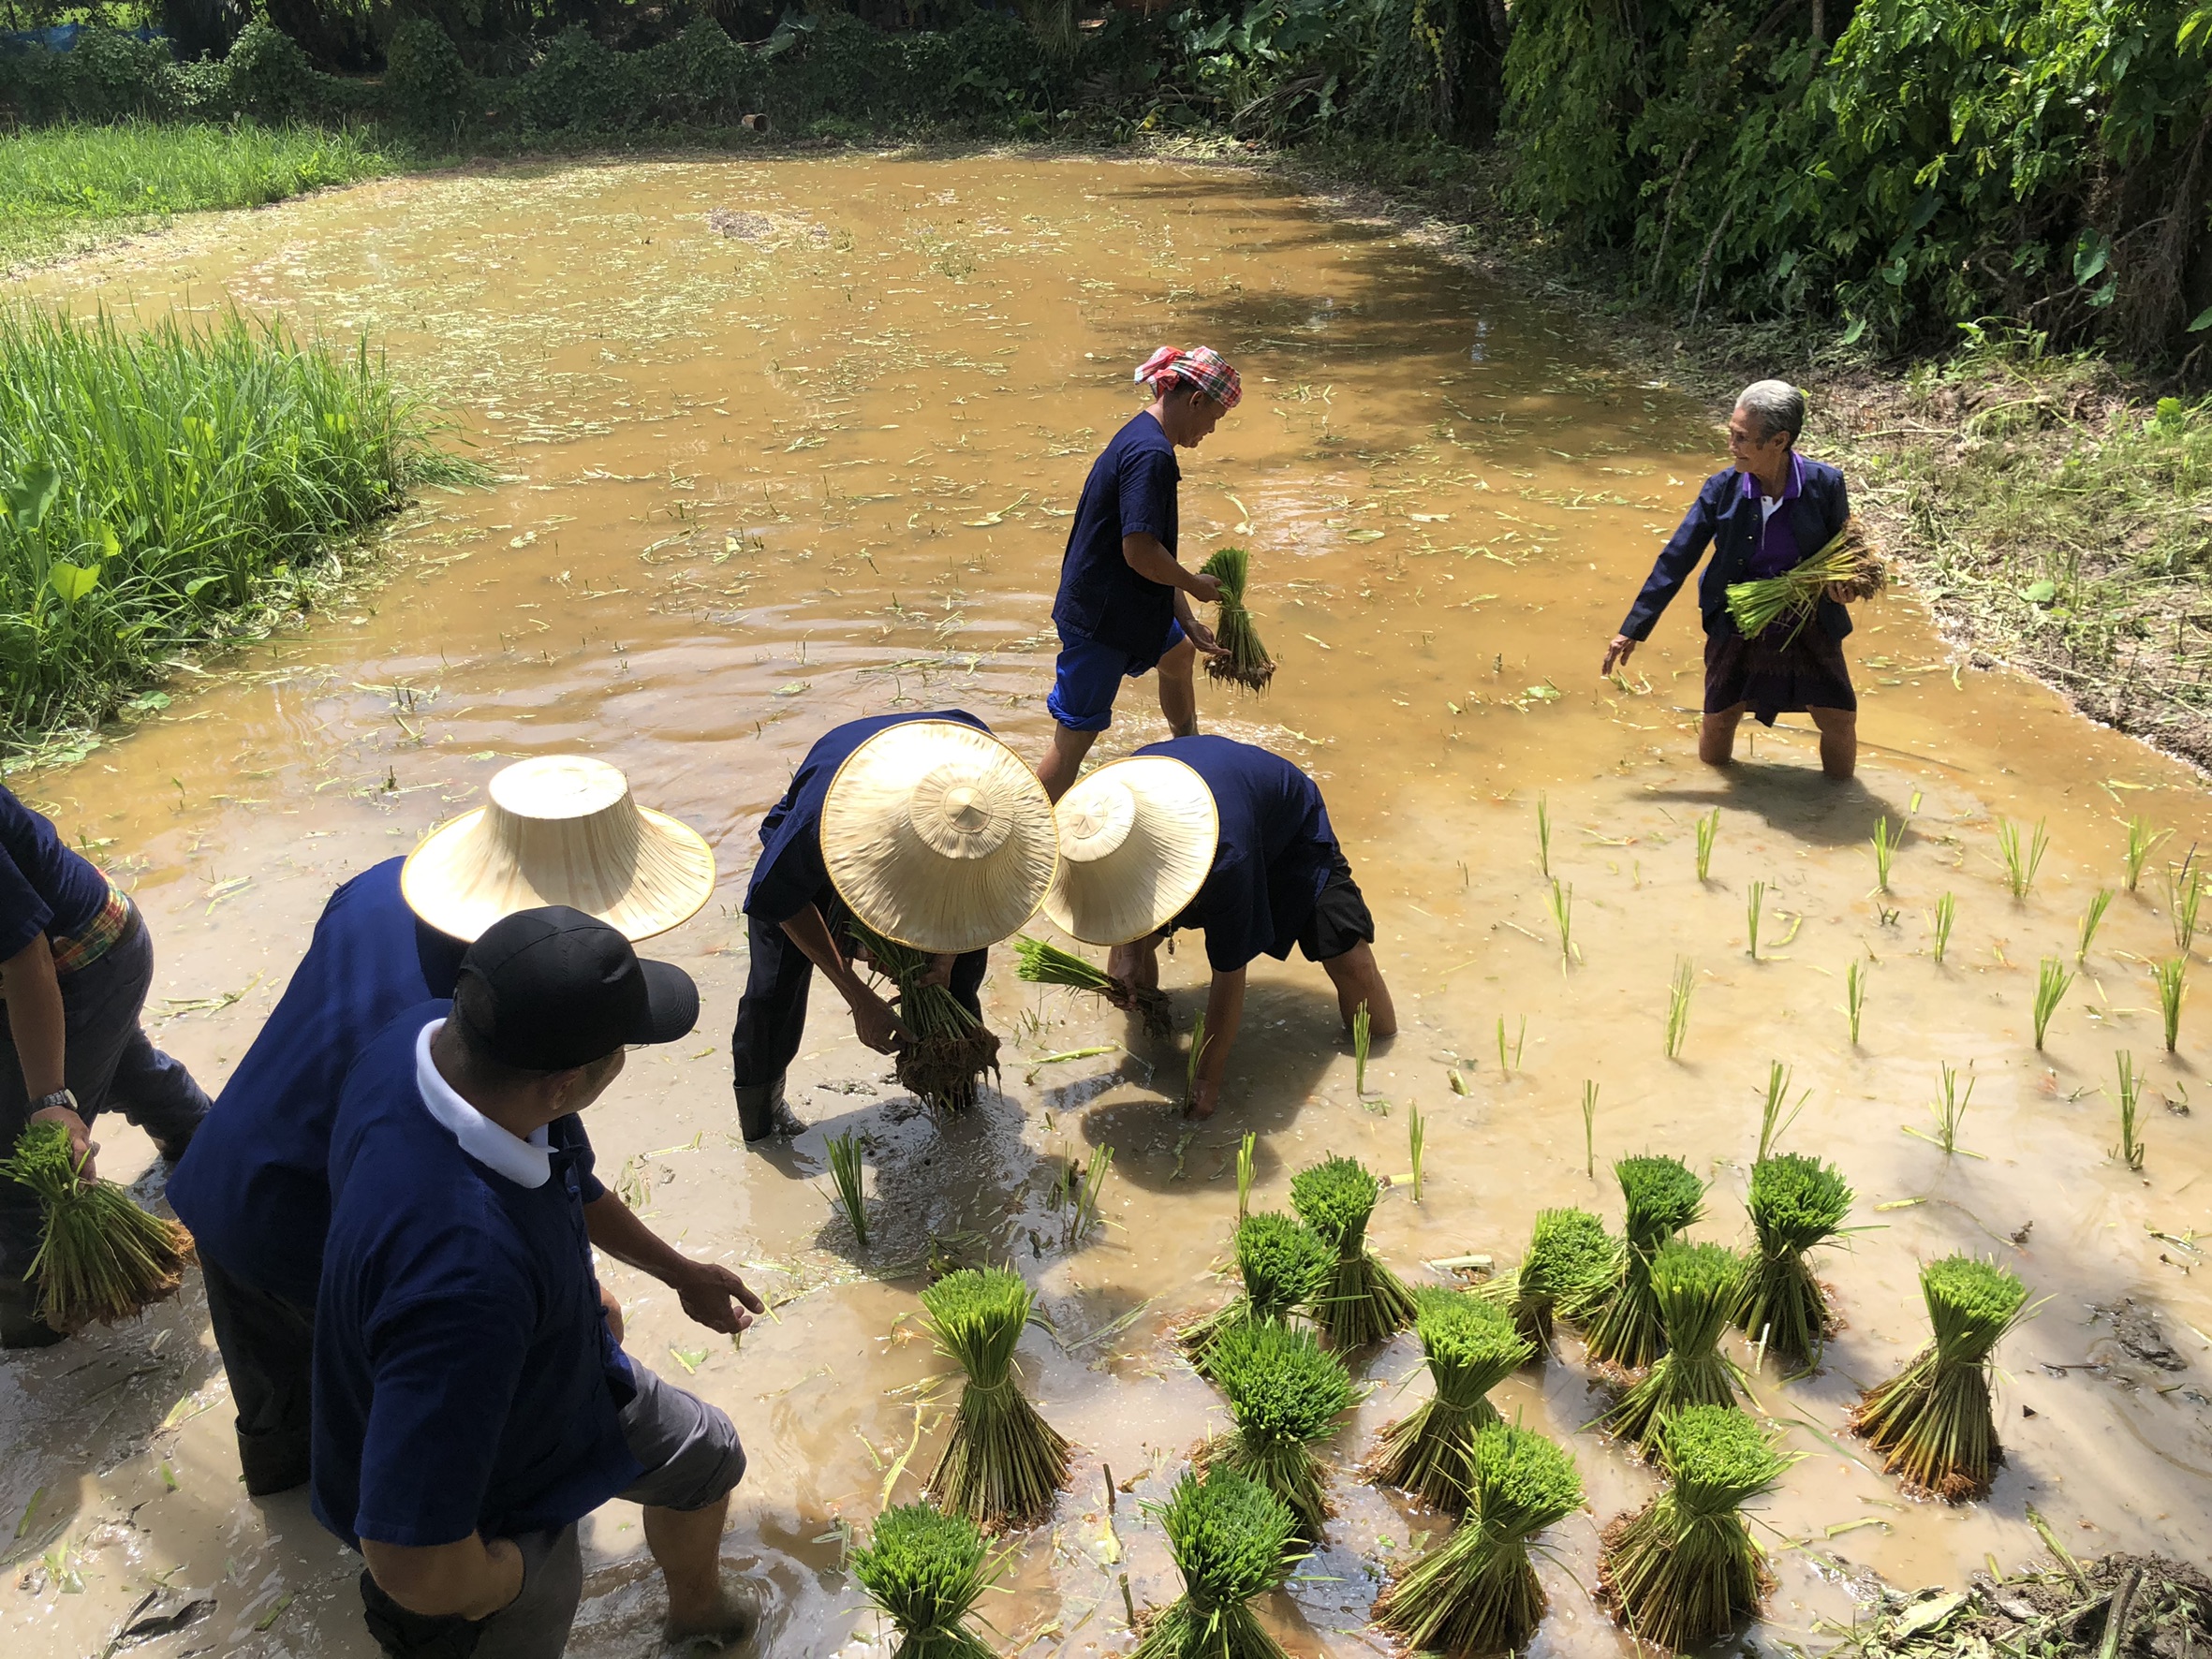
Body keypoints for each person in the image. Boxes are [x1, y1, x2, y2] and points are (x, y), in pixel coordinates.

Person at [168, 755, 728, 1495]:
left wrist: (665, 1273)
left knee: (288, 1440)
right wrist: (586, 1293)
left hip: (226, 1183)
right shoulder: (492, 1023)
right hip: (323, 1235)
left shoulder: (377, 888)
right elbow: (530, 1189)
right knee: (408, 1465)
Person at [314, 907, 760, 1659]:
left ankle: (700, 1615)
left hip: (556, 1387)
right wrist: (516, 1576)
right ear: (566, 1085)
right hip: (474, 1510)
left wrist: (673, 1274)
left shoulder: (427, 1044)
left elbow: (567, 1179)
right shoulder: (463, 1276)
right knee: (527, 1599)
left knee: (706, 1457)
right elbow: (411, 1563)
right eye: (621, 1049)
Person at [732, 712, 1056, 1141]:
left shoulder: (989, 792)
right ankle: (763, 1127)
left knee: (954, 985)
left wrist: (944, 959)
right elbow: (781, 904)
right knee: (772, 994)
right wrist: (859, 997)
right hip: (823, 859)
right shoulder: (816, 824)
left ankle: (958, 1109)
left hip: (952, 842)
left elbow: (977, 906)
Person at [1041, 735, 1394, 1119]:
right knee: (1129, 964)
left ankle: (1386, 1053)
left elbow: (1228, 976)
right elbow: (1127, 904)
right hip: (1189, 823)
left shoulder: (1228, 860)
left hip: (1287, 833)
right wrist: (1129, 953)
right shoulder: (1109, 802)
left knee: (1349, 959)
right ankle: (1153, 1032)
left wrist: (1207, 1078)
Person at [0, 783, 210, 1348]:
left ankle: (36, 1314)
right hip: (68, 955)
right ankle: (214, 1147)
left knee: (19, 1157)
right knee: (117, 1065)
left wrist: (50, 1101)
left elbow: (25, 958)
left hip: (82, 959)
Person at [1601, 378, 1860, 779]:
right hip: (1739, 614)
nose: (1731, 445)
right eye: (1731, 434)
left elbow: (1846, 555)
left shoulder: (1825, 484)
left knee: (1839, 718)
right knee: (1721, 716)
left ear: (1778, 441)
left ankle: (1840, 799)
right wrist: (1634, 627)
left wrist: (1843, 588)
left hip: (1807, 618)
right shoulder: (1722, 489)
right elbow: (1677, 557)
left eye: (1741, 438)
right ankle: (1717, 794)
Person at [1036, 345, 1243, 802]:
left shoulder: (1142, 436)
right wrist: (1193, 583)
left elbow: (1151, 547)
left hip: (1128, 605)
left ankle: (1188, 750)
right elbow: (1140, 552)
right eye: (1214, 418)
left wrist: (1187, 620)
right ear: (1194, 400)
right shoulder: (1151, 455)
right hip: (1103, 620)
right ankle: (1020, 836)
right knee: (1073, 740)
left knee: (1179, 654)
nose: (1210, 430)